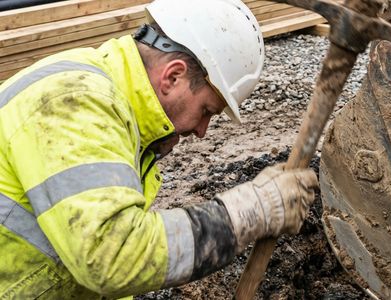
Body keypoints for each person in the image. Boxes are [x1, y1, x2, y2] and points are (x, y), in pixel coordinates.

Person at [0, 0, 319, 298]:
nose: (202, 131)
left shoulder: (115, 111)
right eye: (207, 110)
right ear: (173, 76)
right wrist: (247, 213)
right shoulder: (74, 101)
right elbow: (112, 256)